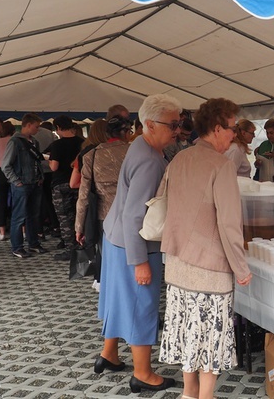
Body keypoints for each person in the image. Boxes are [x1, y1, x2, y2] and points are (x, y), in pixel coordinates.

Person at [159, 98, 252, 399]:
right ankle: (206, 396)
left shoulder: (178, 159)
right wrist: (241, 267)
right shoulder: (222, 166)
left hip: (176, 262)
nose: (234, 135)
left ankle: (189, 394)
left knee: (188, 331)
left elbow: (163, 204)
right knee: (210, 336)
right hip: (209, 267)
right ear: (216, 128)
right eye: (232, 129)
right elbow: (229, 225)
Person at [95, 93, 181, 393]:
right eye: (172, 124)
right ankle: (143, 373)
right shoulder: (149, 159)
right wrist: (141, 261)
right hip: (134, 243)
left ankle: (109, 353)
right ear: (150, 124)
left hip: (116, 236)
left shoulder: (142, 146)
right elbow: (135, 214)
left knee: (117, 300)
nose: (177, 130)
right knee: (140, 305)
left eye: (178, 124)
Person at [75, 115, 132, 292]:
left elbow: (83, 194)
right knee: (131, 258)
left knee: (106, 255)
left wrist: (79, 226)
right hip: (132, 213)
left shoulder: (92, 155)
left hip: (103, 215)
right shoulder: (133, 152)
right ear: (126, 132)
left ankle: (109, 292)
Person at [2, 113, 49, 259]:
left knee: (33, 215)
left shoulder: (34, 142)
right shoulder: (15, 142)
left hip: (35, 183)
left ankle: (33, 243)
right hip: (22, 184)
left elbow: (37, 162)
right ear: (28, 125)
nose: (38, 129)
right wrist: (16, 181)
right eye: (36, 126)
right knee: (19, 216)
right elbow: (6, 165)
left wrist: (40, 177)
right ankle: (17, 247)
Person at [46, 115, 84, 259]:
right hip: (80, 184)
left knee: (65, 218)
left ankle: (70, 249)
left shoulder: (57, 145)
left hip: (61, 184)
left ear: (58, 128)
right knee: (79, 215)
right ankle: (82, 245)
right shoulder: (83, 143)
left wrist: (48, 161)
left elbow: (54, 167)